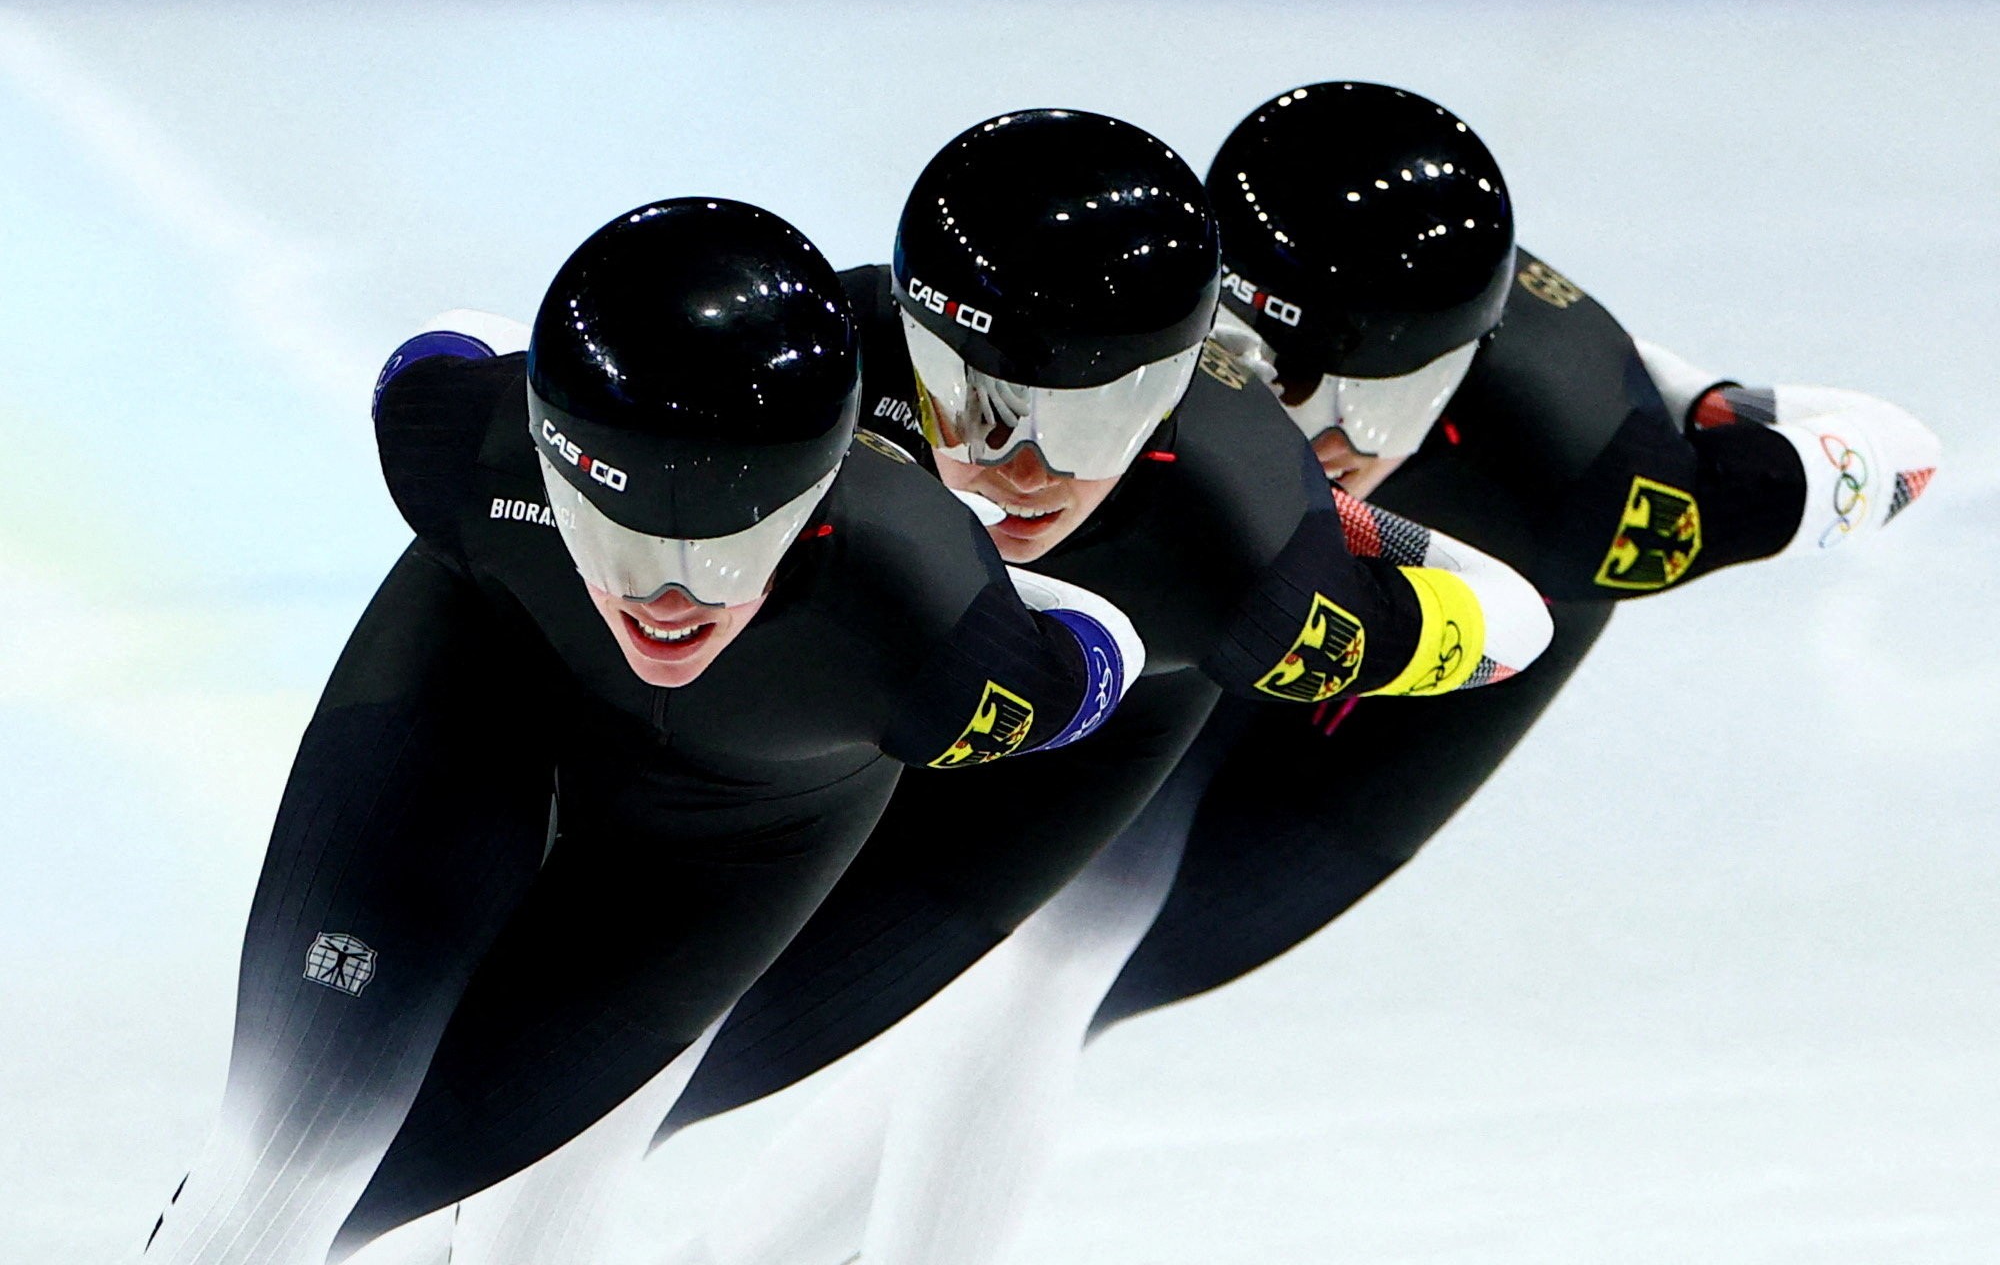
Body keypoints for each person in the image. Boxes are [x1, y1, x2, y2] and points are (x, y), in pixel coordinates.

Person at [650, 83, 1942, 1265]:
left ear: (1457, 379)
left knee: (1055, 962)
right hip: (1208, 603)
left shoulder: (1589, 484)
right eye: (1256, 376)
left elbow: (1900, 450)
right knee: (1008, 963)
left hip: (1406, 680)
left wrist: (1703, 398)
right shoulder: (1135, 388)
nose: (1300, 439)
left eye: (1361, 412)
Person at [323, 109, 1556, 1264]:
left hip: (1024, 772)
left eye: (1082, 429)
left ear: (1168, 406)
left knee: (714, 1064)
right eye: (966, 397)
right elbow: (494, 382)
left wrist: (1370, 545)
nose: (1014, 466)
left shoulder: (1242, 558)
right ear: (906, 333)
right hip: (805, 731)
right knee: (568, 1105)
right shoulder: (796, 372)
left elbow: (1508, 626)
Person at [133, 196, 1148, 1265]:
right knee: (286, 1168)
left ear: (817, 507)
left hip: (720, 846)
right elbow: (451, 357)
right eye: (618, 540)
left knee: (489, 1209)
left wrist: (994, 580)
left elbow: (1100, 644)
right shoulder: (461, 449)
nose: (668, 600)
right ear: (552, 468)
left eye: (726, 552)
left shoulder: (922, 614)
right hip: (476, 699)